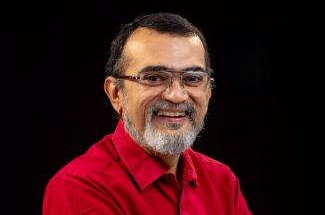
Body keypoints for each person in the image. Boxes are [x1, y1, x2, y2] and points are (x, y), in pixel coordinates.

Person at [43, 13, 252, 215]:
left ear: (208, 92)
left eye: (192, 78)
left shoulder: (222, 181)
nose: (177, 95)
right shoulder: (81, 188)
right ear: (116, 93)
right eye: (153, 78)